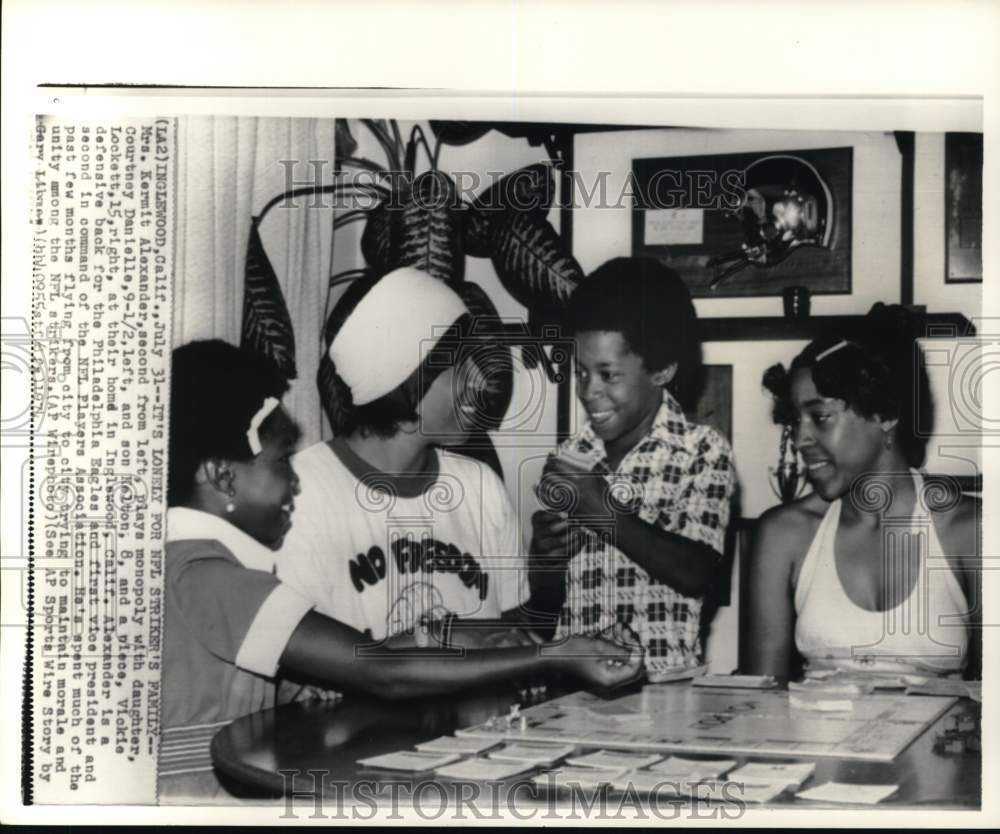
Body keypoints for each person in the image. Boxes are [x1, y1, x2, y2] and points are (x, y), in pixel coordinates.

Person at [161, 339, 642, 800]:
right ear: (223, 476)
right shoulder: (210, 579)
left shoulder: (194, 568)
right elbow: (381, 670)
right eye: (282, 460)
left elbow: (367, 656)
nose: (295, 480)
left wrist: (449, 635)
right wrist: (555, 655)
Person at [277, 267, 532, 647]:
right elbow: (304, 658)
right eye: (459, 368)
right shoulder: (301, 494)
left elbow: (512, 638)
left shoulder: (481, 487)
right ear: (407, 378)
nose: (479, 382)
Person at [742, 303, 981, 683]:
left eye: (820, 417)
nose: (800, 439)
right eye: (794, 421)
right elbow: (757, 698)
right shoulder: (784, 534)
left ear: (885, 414)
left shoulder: (970, 530)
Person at [527, 257, 736, 680]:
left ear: (662, 370)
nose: (589, 391)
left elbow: (697, 572)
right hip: (574, 689)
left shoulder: (701, 451)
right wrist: (544, 558)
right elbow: (546, 607)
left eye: (609, 375)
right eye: (580, 372)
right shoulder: (570, 456)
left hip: (664, 690)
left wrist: (600, 510)